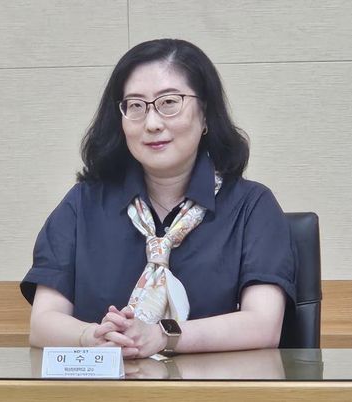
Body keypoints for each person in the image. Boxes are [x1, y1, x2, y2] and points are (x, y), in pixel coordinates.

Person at [20, 38, 296, 359]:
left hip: (214, 385)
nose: (152, 123)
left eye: (169, 102)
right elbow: (42, 323)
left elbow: (263, 325)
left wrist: (162, 336)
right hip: (105, 383)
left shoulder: (252, 207)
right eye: (136, 106)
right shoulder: (82, 204)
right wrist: (92, 337)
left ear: (206, 114)